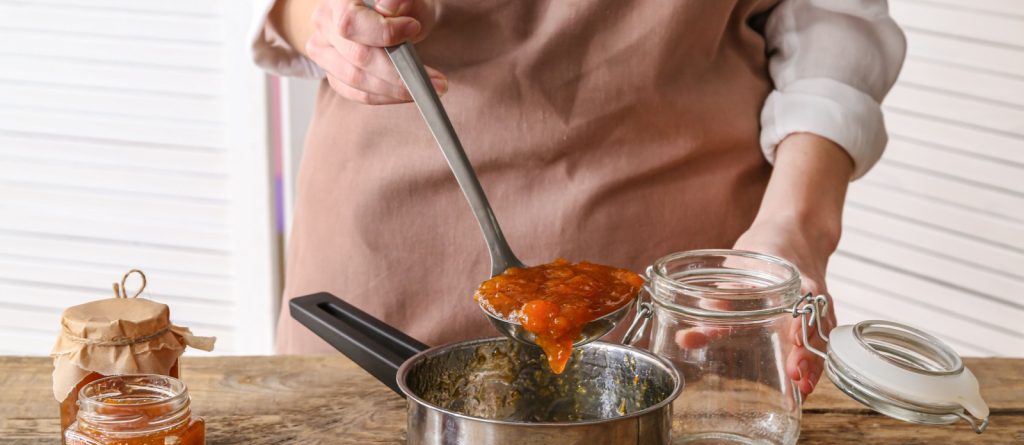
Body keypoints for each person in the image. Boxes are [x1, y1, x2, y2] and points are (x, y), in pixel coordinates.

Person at [252, 0, 906, 396]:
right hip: (385, 254)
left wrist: (794, 227)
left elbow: (834, 18)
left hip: (687, 288)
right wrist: (324, 20)